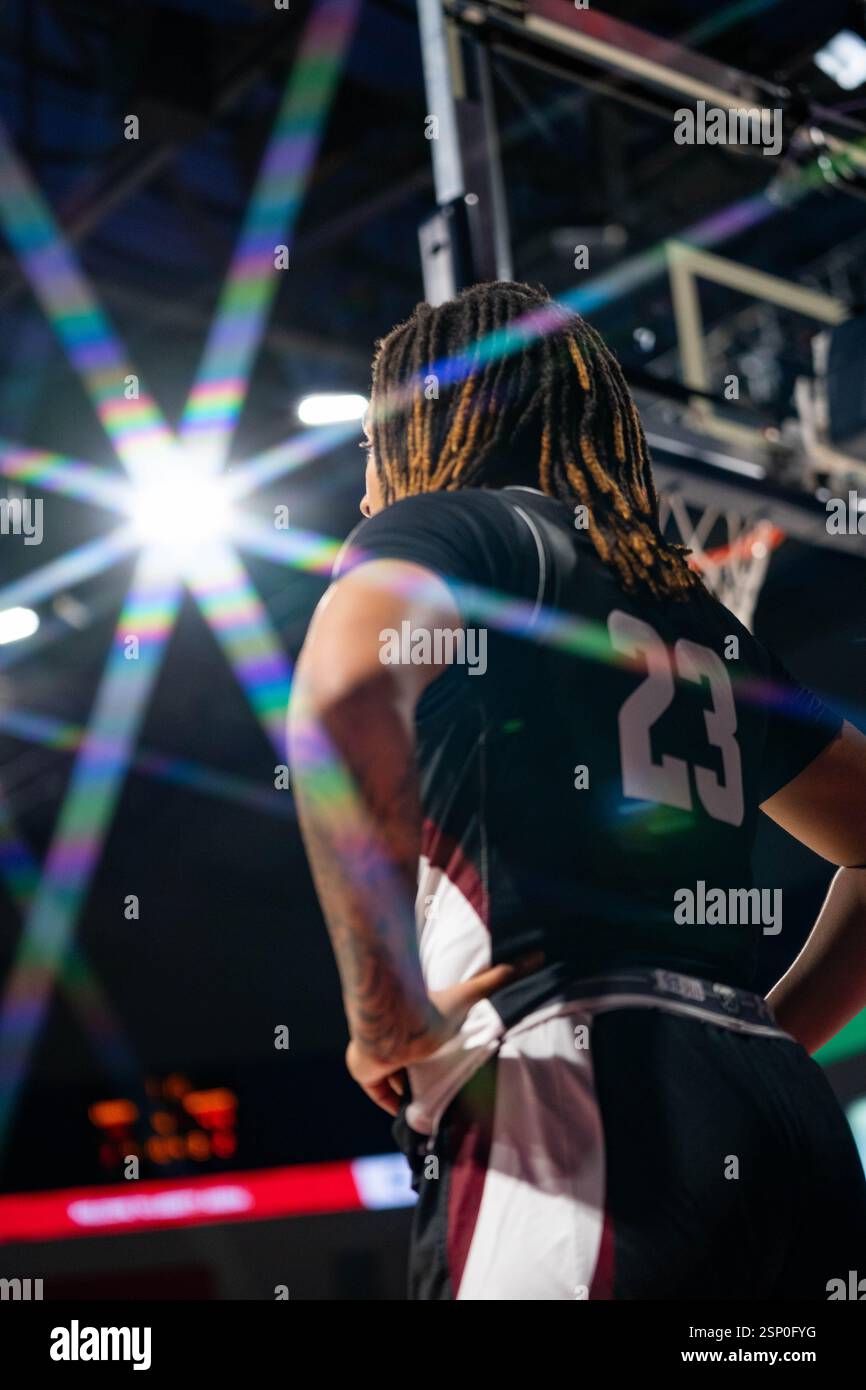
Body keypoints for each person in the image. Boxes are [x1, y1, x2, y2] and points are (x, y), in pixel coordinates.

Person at [287, 280, 866, 1300]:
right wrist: (768, 1034)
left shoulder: (450, 533)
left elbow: (340, 700)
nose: (367, 482)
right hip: (784, 1125)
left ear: (425, 426)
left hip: (578, 1090)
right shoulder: (686, 611)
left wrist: (384, 1016)